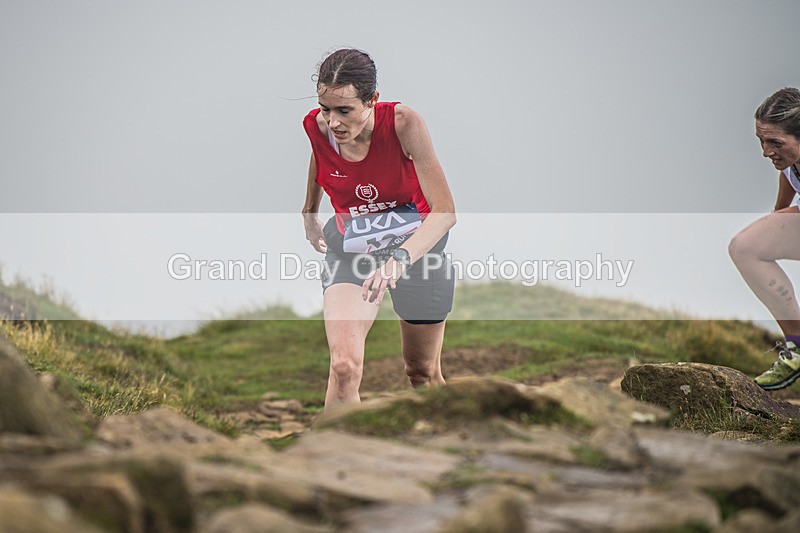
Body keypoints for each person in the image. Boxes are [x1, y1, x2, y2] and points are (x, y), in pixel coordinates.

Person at [300, 49, 457, 409]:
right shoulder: (319, 127)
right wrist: (309, 212)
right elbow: (320, 155)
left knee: (421, 373)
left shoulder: (404, 124)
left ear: (372, 99)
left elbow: (445, 213)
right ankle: (336, 444)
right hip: (352, 251)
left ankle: (456, 434)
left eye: (344, 110)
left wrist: (398, 260)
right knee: (343, 367)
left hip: (416, 253)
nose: (333, 122)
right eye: (325, 109)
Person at [729, 87, 800, 390]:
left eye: (775, 143)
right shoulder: (792, 163)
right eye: (762, 140)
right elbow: (790, 176)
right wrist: (779, 214)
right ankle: (797, 345)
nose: (766, 151)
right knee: (745, 247)